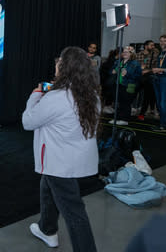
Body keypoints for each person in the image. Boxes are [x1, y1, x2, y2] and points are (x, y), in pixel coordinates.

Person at [22, 46, 99, 252]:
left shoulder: (56, 97)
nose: (56, 64)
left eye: (59, 61)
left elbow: (28, 122)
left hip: (59, 162)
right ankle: (48, 230)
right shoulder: (91, 96)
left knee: (74, 212)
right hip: (76, 160)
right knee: (46, 187)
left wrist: (35, 95)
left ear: (65, 67)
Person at [109, 46, 142, 125]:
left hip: (129, 85)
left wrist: (127, 74)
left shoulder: (135, 63)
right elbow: (112, 70)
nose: (124, 53)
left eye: (127, 52)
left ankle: (124, 120)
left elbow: (138, 76)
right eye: (124, 52)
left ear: (131, 54)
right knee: (119, 102)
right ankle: (118, 118)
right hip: (118, 84)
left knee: (126, 102)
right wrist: (112, 71)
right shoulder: (118, 61)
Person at [135, 40, 159, 121]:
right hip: (138, 76)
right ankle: (132, 109)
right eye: (151, 45)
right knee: (132, 93)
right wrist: (139, 70)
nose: (153, 47)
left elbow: (156, 67)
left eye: (153, 45)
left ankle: (142, 114)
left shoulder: (155, 55)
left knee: (147, 96)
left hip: (149, 77)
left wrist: (147, 70)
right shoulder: (138, 54)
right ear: (146, 46)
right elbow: (134, 65)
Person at [151, 34, 166, 132]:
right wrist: (157, 70)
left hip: (165, 80)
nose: (162, 43)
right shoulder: (161, 53)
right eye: (161, 41)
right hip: (158, 79)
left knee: (163, 103)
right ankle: (162, 123)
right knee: (159, 103)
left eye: (165, 41)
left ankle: (164, 125)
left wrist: (160, 69)